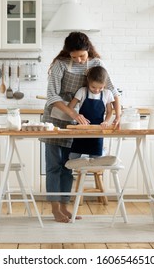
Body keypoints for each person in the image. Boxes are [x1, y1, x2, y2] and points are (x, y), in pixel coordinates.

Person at [41, 32, 121, 223]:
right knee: (54, 166)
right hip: (56, 118)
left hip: (77, 123)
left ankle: (64, 207)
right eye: (74, 56)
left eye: (81, 56)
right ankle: (54, 209)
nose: (77, 60)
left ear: (88, 50)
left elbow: (112, 90)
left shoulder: (96, 64)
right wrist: (73, 114)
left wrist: (118, 115)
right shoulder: (60, 65)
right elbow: (52, 96)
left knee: (68, 166)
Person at [68, 66, 115, 159]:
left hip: (97, 131)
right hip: (81, 131)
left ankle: (103, 151)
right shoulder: (82, 91)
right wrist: (77, 115)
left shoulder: (107, 93)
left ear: (105, 84)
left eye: (100, 87)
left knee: (96, 159)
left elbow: (110, 111)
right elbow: (70, 107)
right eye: (93, 87)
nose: (96, 90)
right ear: (88, 81)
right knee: (72, 157)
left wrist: (106, 121)